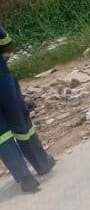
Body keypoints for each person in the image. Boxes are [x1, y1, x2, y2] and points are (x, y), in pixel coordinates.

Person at [0, 24, 55, 192]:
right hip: (2, 82)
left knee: (1, 136)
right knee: (21, 125)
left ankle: (25, 178)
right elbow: (7, 44)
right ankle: (42, 164)